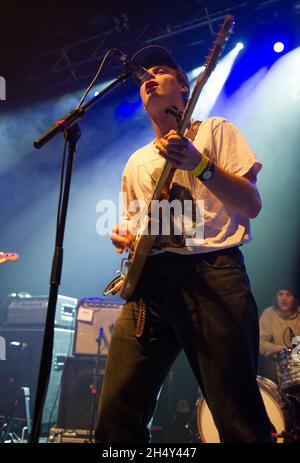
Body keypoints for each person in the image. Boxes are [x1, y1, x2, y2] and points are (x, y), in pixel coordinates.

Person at [95, 45, 272, 443]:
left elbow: (251, 203)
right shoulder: (136, 162)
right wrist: (122, 234)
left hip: (213, 276)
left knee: (237, 415)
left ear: (184, 88)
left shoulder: (215, 130)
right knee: (116, 418)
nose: (149, 79)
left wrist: (200, 164)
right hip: (150, 286)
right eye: (145, 76)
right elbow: (136, 226)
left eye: (161, 71)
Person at [259, 288, 300, 384]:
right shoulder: (269, 313)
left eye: (288, 294)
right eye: (280, 294)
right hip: (276, 365)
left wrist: (294, 352)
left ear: (294, 298)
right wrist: (284, 350)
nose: (284, 299)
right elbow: (261, 342)